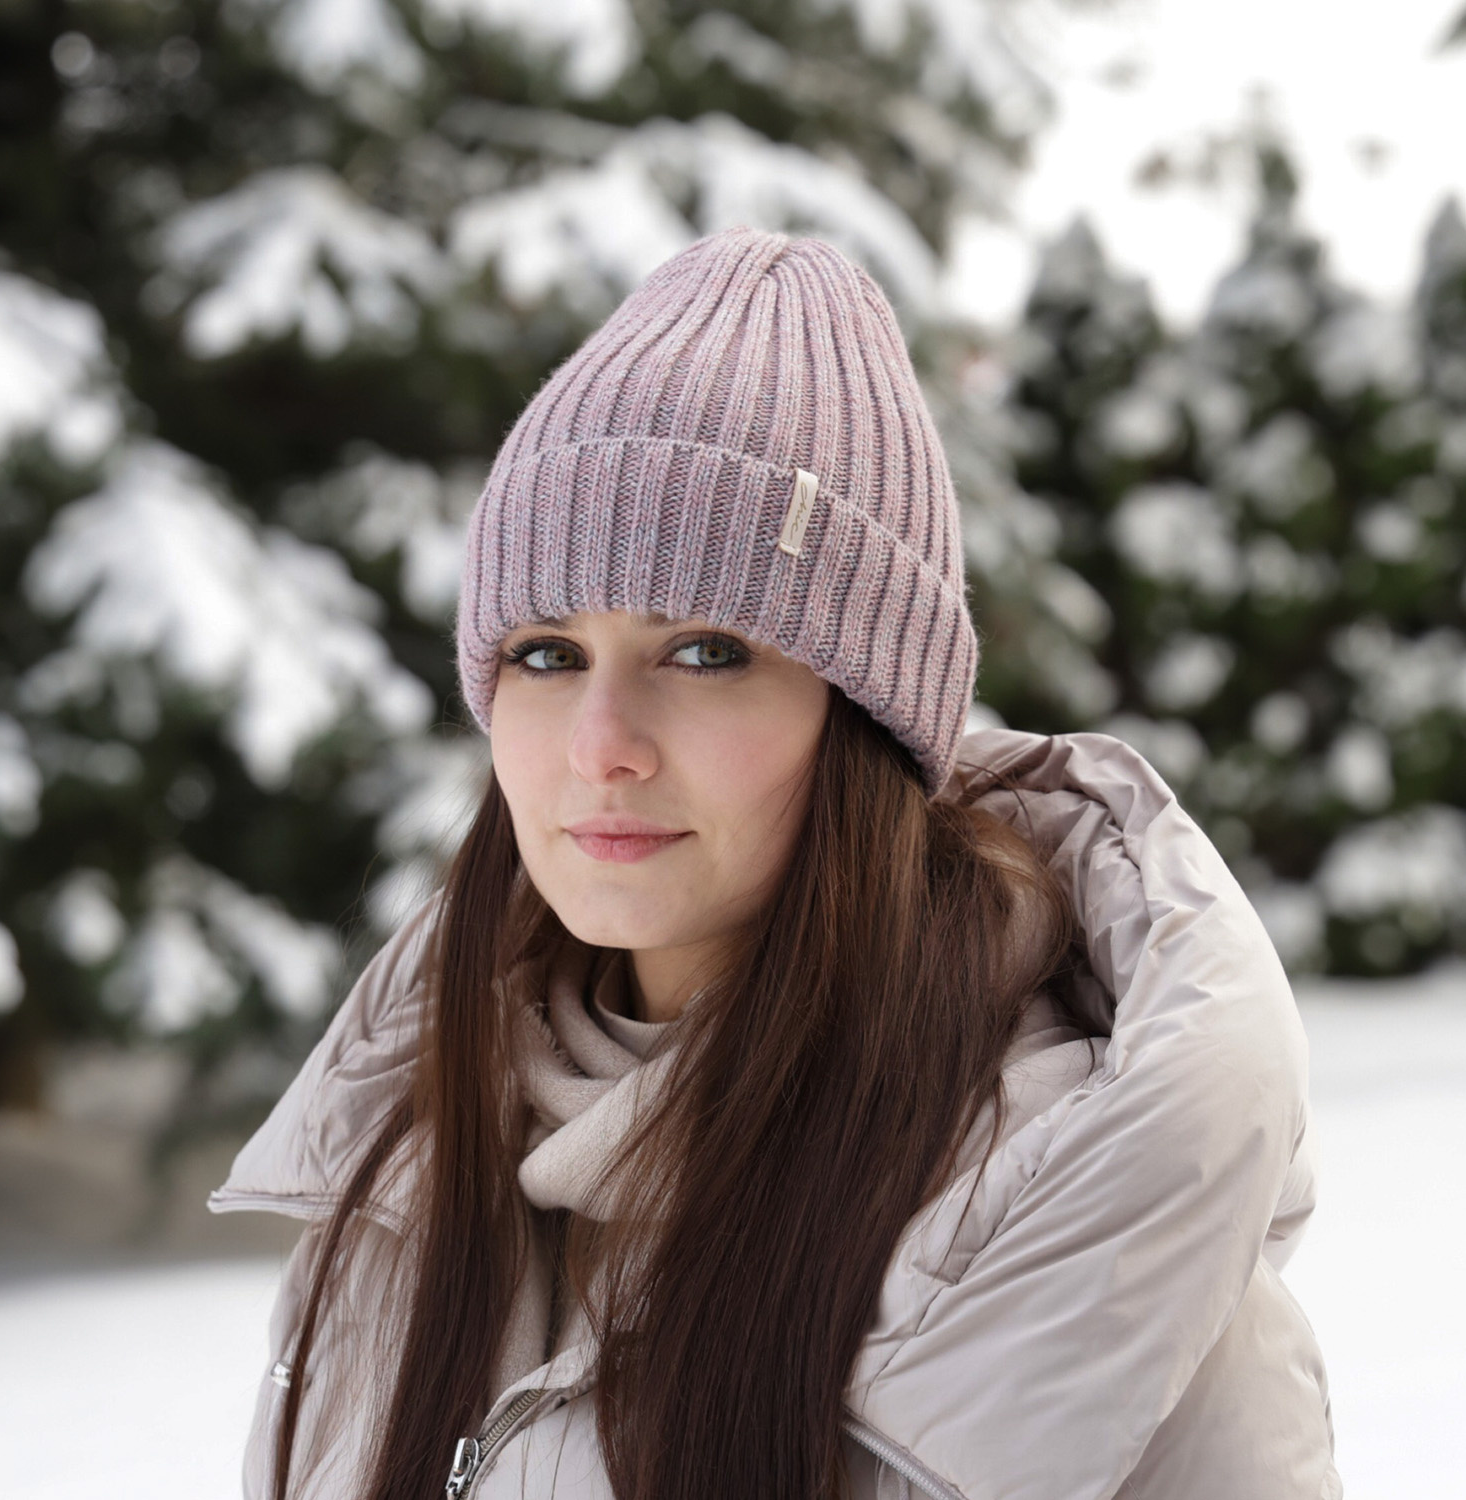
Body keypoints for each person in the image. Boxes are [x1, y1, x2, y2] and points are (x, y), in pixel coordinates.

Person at [211, 228, 1341, 1500]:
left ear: (866, 718)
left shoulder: (1087, 1251)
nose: (602, 748)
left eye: (705, 652)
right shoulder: (402, 1193)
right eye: (544, 653)